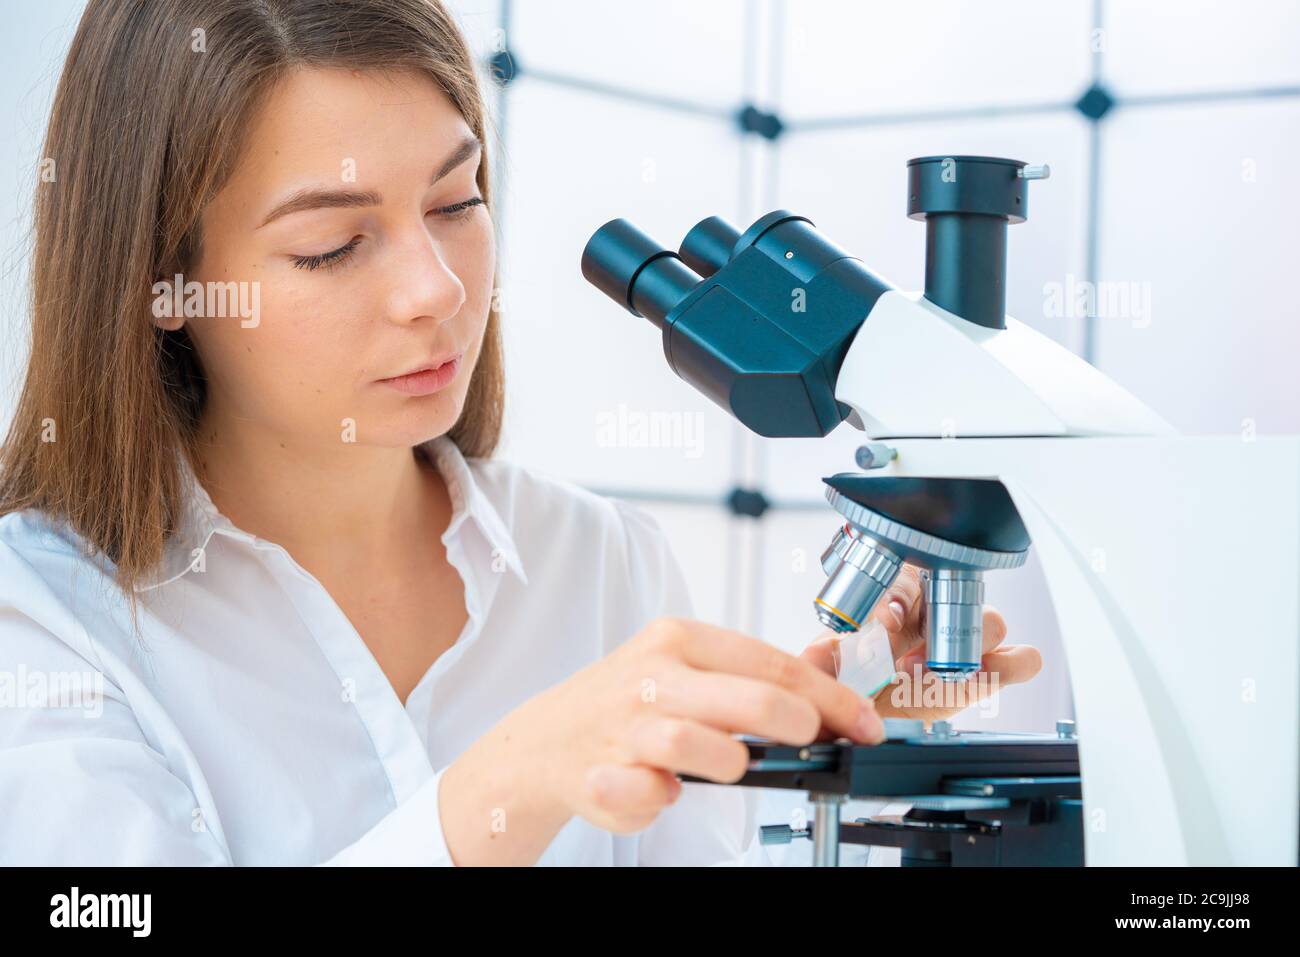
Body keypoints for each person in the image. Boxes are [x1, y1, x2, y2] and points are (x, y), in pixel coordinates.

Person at [0, 0, 1041, 866]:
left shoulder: (600, 562)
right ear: (161, 282)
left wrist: (844, 725)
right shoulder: (41, 619)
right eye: (331, 245)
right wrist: (503, 787)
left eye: (458, 201)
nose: (436, 287)